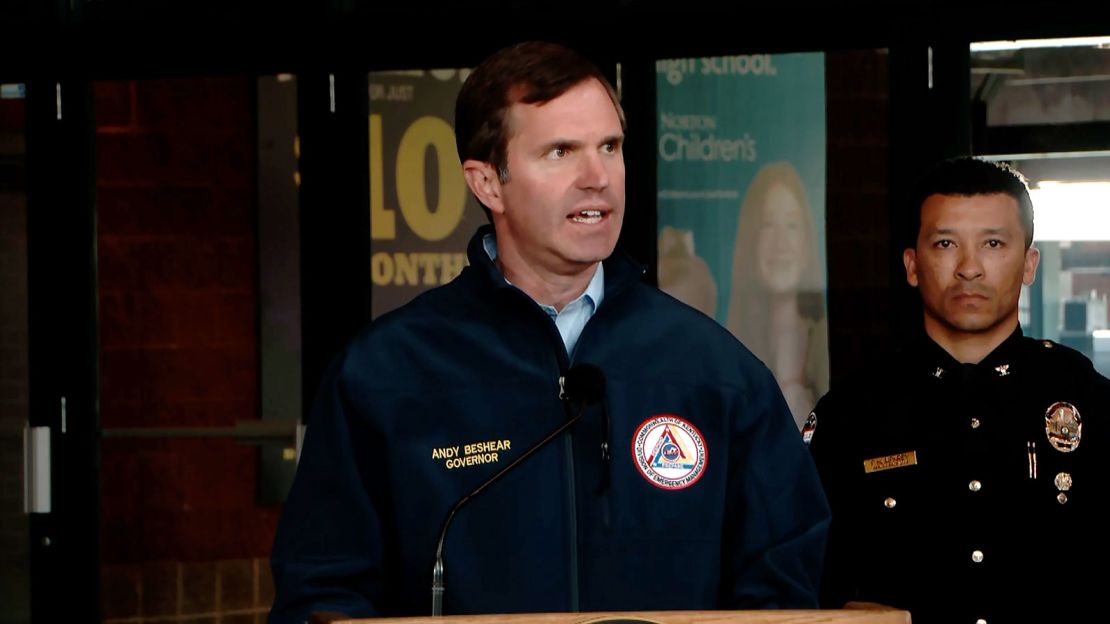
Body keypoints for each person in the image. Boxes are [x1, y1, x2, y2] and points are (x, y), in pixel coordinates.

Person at [269, 41, 829, 622]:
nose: (597, 178)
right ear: (488, 183)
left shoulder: (717, 371)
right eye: (561, 151)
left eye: (609, 147)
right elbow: (322, 592)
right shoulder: (384, 376)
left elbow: (783, 582)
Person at [808, 156, 1110, 623]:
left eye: (993, 243)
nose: (969, 268)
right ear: (912, 265)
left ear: (1030, 264)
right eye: (945, 243)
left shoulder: (1086, 400)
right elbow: (802, 574)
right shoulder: (854, 412)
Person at [726, 162, 828, 429]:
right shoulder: (725, 347)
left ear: (807, 241)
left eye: (793, 225)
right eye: (768, 225)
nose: (781, 242)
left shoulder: (826, 343)